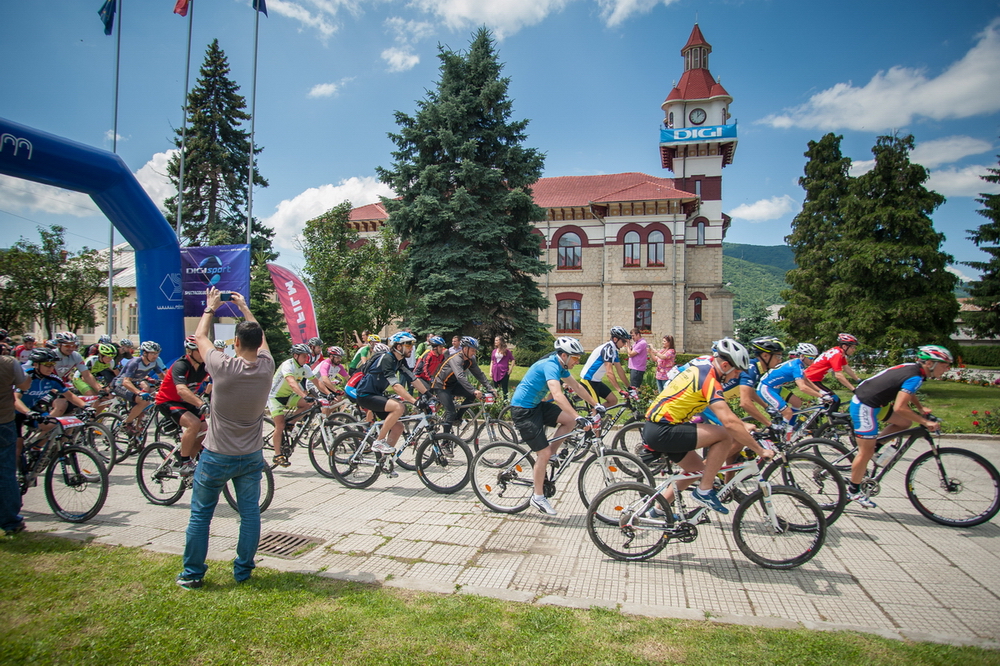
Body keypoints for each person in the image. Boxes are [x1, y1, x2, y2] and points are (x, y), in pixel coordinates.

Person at [176, 288, 274, 589]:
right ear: (258, 344)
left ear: (235, 343)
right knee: (249, 514)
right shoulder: (267, 367)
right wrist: (245, 309)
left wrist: (210, 308)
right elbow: (263, 342)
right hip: (251, 455)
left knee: (201, 515)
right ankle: (243, 571)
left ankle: (192, 575)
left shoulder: (222, 366)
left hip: (217, 454)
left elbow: (200, 338)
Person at [642, 338, 774, 514]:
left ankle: (657, 510)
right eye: (737, 373)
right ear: (726, 366)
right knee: (725, 435)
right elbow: (727, 422)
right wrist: (760, 450)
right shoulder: (709, 379)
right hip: (663, 429)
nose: (737, 377)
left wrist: (740, 424)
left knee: (696, 470)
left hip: (658, 428)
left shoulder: (704, 370)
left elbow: (724, 414)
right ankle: (704, 491)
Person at [846, 345, 952, 509]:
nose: (947, 369)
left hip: (875, 402)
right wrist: (925, 422)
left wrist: (920, 408)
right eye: (945, 365)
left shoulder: (915, 370)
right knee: (865, 452)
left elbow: (908, 392)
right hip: (865, 405)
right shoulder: (915, 376)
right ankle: (853, 491)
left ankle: (875, 447)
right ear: (930, 363)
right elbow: (900, 408)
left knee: (904, 423)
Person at [508, 337, 600, 516]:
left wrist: (596, 405)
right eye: (575, 358)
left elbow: (577, 387)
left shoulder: (561, 366)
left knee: (569, 422)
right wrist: (578, 415)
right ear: (564, 355)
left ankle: (552, 454)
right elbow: (557, 395)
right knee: (543, 453)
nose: (577, 361)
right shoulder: (550, 365)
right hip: (522, 410)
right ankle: (538, 496)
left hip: (535, 406)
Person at [356, 332, 422, 455]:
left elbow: (413, 378)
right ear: (398, 347)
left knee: (398, 427)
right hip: (365, 395)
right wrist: (414, 401)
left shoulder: (400, 360)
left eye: (412, 345)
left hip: (377, 394)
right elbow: (395, 385)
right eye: (408, 345)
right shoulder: (387, 358)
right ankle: (379, 441)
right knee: (398, 407)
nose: (411, 348)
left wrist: (429, 395)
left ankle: (385, 460)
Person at [155, 336, 210, 477]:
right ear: (190, 352)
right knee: (194, 424)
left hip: (187, 401)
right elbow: (181, 390)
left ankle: (189, 463)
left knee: (204, 432)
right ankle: (184, 462)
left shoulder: (205, 366)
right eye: (200, 350)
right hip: (168, 401)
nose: (204, 353)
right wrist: (201, 403)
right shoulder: (181, 365)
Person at [430, 336, 494, 436]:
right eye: (473, 350)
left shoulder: (470, 359)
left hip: (452, 384)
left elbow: (479, 374)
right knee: (451, 412)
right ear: (465, 349)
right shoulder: (456, 359)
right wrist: (474, 390)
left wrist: (490, 387)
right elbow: (460, 376)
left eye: (475, 351)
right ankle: (445, 441)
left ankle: (457, 418)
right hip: (441, 385)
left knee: (471, 395)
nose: (474, 353)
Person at [267, 343, 315, 467]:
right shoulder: (288, 365)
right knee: (280, 425)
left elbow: (317, 382)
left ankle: (291, 424)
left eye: (307, 356)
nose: (306, 358)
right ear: (295, 355)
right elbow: (292, 383)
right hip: (275, 397)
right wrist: (304, 395)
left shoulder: (305, 367)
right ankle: (277, 455)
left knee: (308, 404)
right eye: (304, 356)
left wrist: (331, 394)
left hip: (288, 396)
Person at [756, 342, 828, 424]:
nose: (813, 361)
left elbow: (805, 380)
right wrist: (821, 396)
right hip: (766, 388)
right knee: (787, 412)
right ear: (802, 356)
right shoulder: (796, 366)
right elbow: (802, 387)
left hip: (776, 388)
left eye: (814, 358)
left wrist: (820, 391)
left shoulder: (799, 364)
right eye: (811, 358)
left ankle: (791, 426)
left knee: (797, 403)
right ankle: (782, 433)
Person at [1, 352, 31, 535]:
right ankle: (11, 521)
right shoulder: (8, 362)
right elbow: (24, 384)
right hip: (3, 421)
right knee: (5, 473)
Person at [113, 341, 162, 435]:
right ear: (144, 353)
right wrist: (139, 393)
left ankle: (137, 432)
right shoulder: (135, 363)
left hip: (134, 385)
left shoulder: (153, 363)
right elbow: (126, 381)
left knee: (148, 402)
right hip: (120, 385)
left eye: (157, 353)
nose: (155, 356)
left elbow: (162, 376)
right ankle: (126, 423)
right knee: (143, 401)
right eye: (152, 353)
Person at [737, 337, 786, 428]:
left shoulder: (756, 368)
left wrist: (766, 407)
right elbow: (745, 403)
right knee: (737, 434)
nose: (780, 360)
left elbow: (750, 391)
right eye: (778, 356)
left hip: (713, 402)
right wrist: (769, 424)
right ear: (765, 356)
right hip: (709, 404)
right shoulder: (751, 369)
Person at [578, 326, 631, 408]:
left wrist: (629, 387)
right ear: (615, 339)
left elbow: (620, 370)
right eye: (623, 341)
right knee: (596, 409)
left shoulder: (614, 351)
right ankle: (593, 415)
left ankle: (594, 415)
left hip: (596, 381)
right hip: (588, 380)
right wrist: (619, 390)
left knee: (613, 400)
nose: (624, 344)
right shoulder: (607, 349)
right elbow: (609, 372)